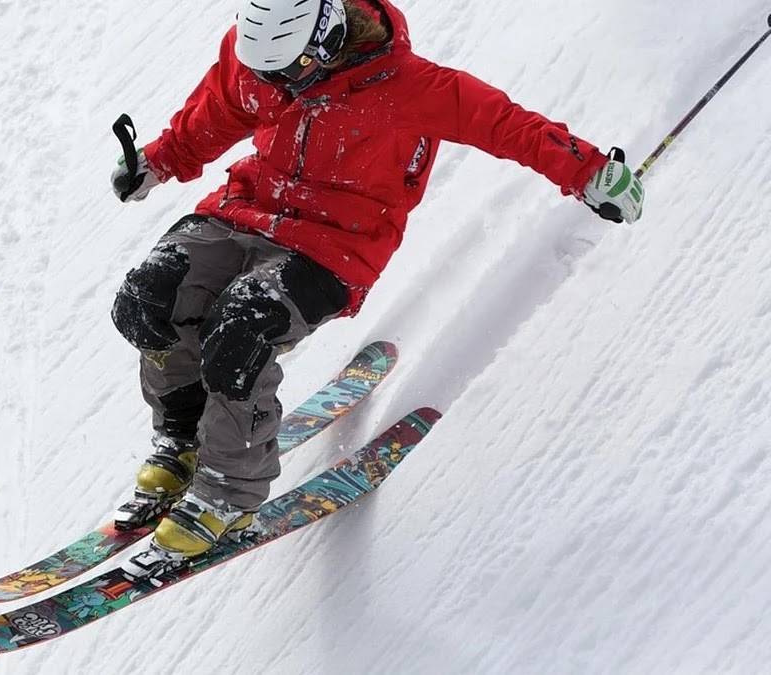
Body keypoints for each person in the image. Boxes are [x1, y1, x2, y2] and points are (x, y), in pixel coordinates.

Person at [108, 0, 645, 562]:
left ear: (326, 39)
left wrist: (588, 171)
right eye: (263, 72)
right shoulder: (264, 58)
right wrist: (159, 159)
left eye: (286, 72)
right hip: (244, 210)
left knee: (241, 328)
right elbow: (219, 110)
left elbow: (507, 126)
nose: (274, 84)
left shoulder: (411, 88)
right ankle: (184, 440)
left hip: (334, 244)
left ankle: (228, 492)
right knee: (150, 295)